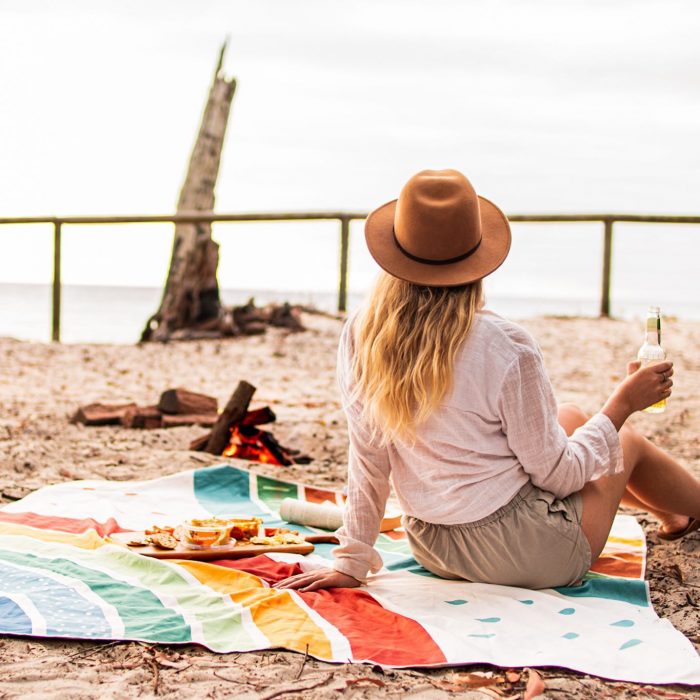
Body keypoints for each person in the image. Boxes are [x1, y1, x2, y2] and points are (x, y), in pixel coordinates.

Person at [274, 169, 700, 593]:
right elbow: (558, 477)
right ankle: (689, 506)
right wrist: (622, 403)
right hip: (527, 553)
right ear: (477, 260)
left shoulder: (362, 333)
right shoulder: (505, 345)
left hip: (434, 544)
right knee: (626, 442)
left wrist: (351, 562)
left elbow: (368, 460)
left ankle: (673, 516)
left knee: (568, 416)